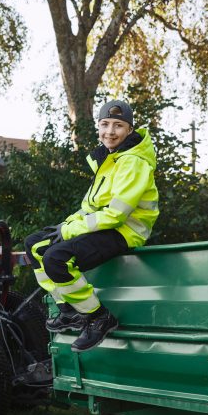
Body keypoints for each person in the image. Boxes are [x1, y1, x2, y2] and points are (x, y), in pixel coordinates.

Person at [24, 99, 159, 352]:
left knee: (56, 258)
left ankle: (98, 317)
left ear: (129, 130)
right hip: (106, 227)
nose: (110, 131)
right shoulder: (110, 160)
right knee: (35, 244)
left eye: (118, 125)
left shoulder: (133, 162)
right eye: (105, 124)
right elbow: (90, 206)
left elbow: (116, 215)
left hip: (126, 231)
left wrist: (67, 231)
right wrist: (66, 224)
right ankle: (68, 310)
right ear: (98, 127)